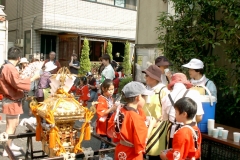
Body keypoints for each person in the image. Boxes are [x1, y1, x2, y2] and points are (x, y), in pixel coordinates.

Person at [0, 47, 38, 156]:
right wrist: (32, 78)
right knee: (11, 126)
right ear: (19, 58)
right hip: (11, 100)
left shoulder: (6, 66)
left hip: (12, 99)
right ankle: (7, 150)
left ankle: (10, 145)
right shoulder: (9, 68)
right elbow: (17, 83)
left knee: (13, 124)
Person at [107, 81, 156, 160]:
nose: (146, 100)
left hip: (121, 148)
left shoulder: (120, 110)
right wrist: (151, 125)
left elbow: (111, 130)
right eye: (144, 97)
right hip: (131, 153)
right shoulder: (135, 117)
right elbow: (141, 140)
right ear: (138, 97)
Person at [141, 65, 170, 160]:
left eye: (147, 76)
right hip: (146, 125)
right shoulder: (146, 89)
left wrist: (158, 120)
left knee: (155, 153)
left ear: (154, 78)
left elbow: (168, 111)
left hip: (158, 127)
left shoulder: (163, 91)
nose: (145, 77)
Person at [96, 79, 117, 149]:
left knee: (108, 140)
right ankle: (101, 157)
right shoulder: (101, 99)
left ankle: (103, 155)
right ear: (103, 89)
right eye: (109, 90)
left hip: (109, 122)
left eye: (112, 89)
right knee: (104, 141)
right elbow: (100, 112)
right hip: (104, 123)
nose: (111, 91)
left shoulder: (110, 98)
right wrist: (111, 109)